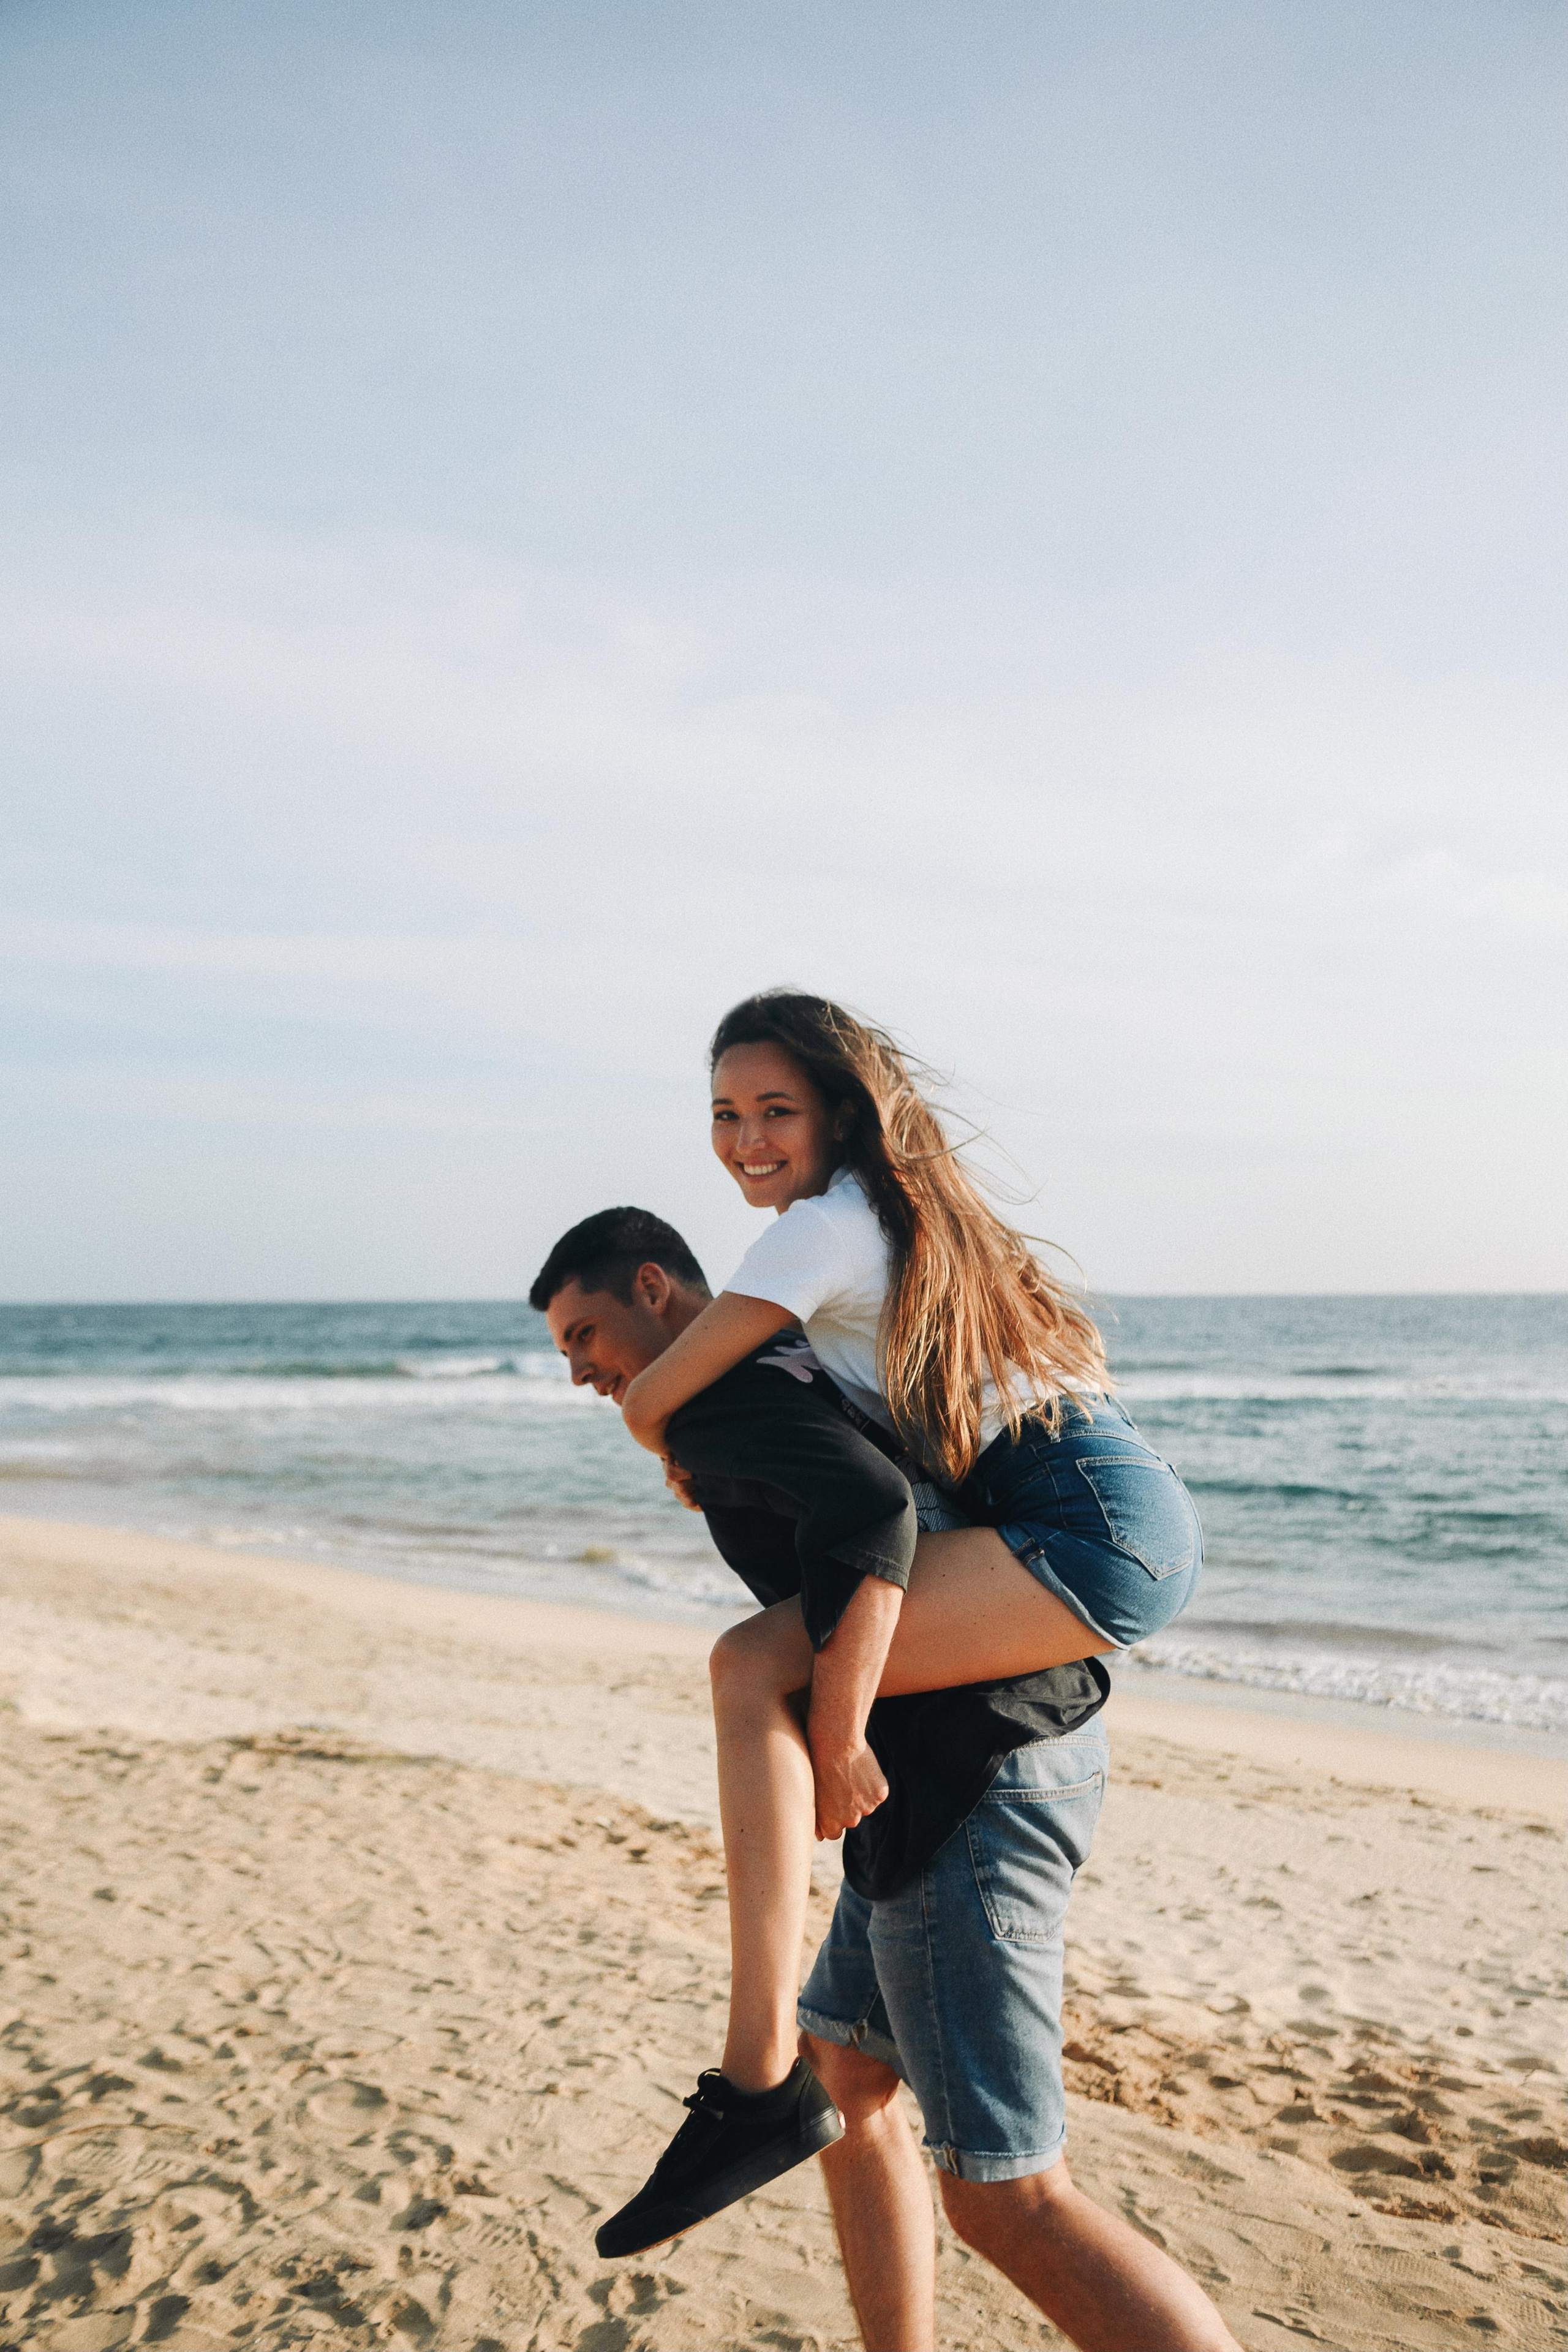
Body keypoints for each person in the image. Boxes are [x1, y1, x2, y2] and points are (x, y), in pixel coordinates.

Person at [531, 1205, 1238, 2352]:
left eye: (583, 1336)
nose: (578, 1372)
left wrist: (837, 1730)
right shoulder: (794, 1355)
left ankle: (751, 2085)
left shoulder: (724, 1392)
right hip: (970, 1755)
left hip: (973, 1779)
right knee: (848, 2074)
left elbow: (878, 1513)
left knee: (1011, 2198)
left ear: (652, 1286)